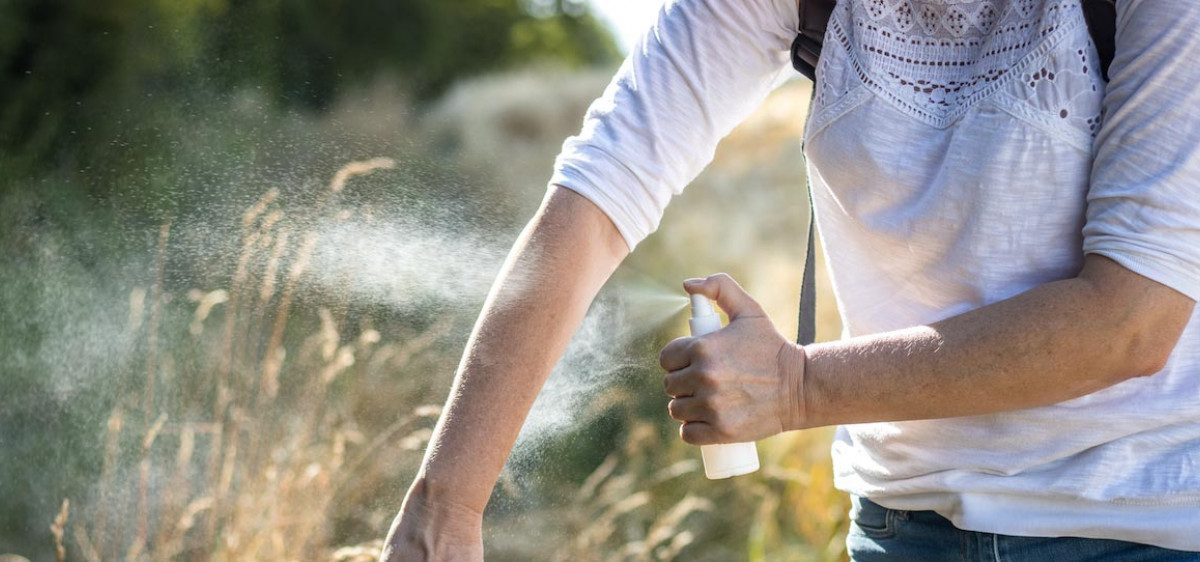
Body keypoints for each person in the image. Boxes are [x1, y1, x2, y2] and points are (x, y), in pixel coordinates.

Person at [380, 0, 1200, 559]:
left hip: (1138, 525)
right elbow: (596, 198)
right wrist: (444, 507)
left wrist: (798, 387)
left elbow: (1127, 324)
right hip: (906, 527)